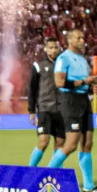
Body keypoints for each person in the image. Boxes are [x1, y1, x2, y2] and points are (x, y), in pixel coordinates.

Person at [49, 29, 97, 192]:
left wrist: (90, 85)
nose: (82, 40)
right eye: (78, 38)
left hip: (83, 100)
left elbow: (83, 82)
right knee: (71, 143)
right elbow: (59, 82)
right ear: (70, 40)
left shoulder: (82, 59)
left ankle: (89, 185)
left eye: (82, 37)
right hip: (70, 101)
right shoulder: (63, 58)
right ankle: (45, 173)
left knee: (87, 142)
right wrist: (85, 81)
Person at [27, 37, 64, 166]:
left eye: (56, 47)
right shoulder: (38, 66)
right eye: (51, 48)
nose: (54, 50)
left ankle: (55, 174)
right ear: (46, 49)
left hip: (61, 110)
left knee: (60, 144)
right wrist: (32, 110)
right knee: (43, 141)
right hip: (44, 109)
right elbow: (32, 89)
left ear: (59, 48)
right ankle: (30, 170)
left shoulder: (64, 65)